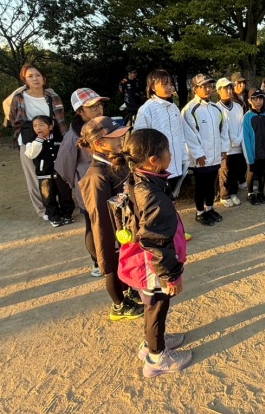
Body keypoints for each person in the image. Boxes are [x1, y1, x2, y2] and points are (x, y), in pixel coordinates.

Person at [114, 129, 192, 378]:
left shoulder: (140, 178)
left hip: (145, 259)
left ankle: (152, 341)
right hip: (152, 265)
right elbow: (156, 240)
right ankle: (157, 357)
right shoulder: (152, 195)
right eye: (167, 151)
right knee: (157, 305)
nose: (171, 155)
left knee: (154, 307)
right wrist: (171, 276)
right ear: (153, 161)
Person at [78, 116, 144, 320]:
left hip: (127, 226)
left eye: (122, 135)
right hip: (114, 233)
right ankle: (119, 305)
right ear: (98, 143)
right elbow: (99, 217)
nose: (121, 139)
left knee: (129, 262)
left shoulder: (116, 161)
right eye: (115, 137)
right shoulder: (96, 176)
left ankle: (131, 289)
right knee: (113, 267)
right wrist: (111, 243)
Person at [55, 87, 110, 277]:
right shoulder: (73, 137)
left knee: (112, 222)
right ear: (80, 111)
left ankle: (112, 256)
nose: (98, 109)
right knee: (94, 224)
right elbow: (63, 167)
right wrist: (80, 185)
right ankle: (97, 262)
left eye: (99, 104)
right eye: (92, 107)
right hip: (90, 189)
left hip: (111, 186)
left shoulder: (106, 127)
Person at [6, 64, 67, 221]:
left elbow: (60, 120)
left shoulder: (52, 97)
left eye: (38, 75)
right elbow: (14, 119)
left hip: (52, 140)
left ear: (44, 78)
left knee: (57, 173)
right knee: (34, 176)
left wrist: (65, 139)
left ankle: (62, 206)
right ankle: (43, 210)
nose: (35, 79)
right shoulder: (19, 97)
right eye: (30, 76)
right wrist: (34, 132)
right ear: (24, 79)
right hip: (29, 141)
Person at [182, 74, 229, 226]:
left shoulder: (216, 108)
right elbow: (189, 135)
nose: (208, 89)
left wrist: (223, 148)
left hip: (214, 155)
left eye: (209, 86)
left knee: (211, 183)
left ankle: (210, 208)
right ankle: (200, 212)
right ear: (195, 89)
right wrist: (198, 154)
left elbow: (223, 130)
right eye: (203, 86)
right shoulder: (190, 110)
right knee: (201, 185)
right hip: (201, 158)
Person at [133, 70, 190, 194]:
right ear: (153, 87)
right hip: (158, 169)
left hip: (176, 164)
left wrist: (184, 157)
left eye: (170, 84)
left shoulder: (174, 108)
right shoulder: (146, 109)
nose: (170, 88)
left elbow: (181, 135)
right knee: (161, 202)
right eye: (165, 84)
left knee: (172, 200)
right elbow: (140, 140)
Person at [24, 115, 76, 227]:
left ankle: (67, 215)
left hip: (60, 174)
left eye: (42, 125)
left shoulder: (59, 139)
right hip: (44, 176)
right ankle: (54, 217)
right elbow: (31, 154)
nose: (38, 128)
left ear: (50, 127)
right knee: (48, 198)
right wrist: (38, 141)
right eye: (35, 126)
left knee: (65, 195)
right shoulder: (32, 142)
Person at [216, 77, 246, 207]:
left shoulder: (238, 107)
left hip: (238, 145)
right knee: (225, 171)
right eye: (225, 88)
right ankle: (224, 195)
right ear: (218, 91)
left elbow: (241, 124)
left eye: (230, 88)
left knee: (235, 169)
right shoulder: (216, 108)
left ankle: (233, 193)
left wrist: (238, 139)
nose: (228, 91)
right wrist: (231, 139)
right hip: (225, 147)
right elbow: (220, 128)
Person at [241, 89, 265, 205]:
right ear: (250, 100)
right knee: (252, 171)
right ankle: (250, 193)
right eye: (256, 99)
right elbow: (246, 138)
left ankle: (261, 192)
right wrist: (249, 156)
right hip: (253, 152)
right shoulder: (247, 117)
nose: (259, 102)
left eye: (261, 99)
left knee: (262, 172)